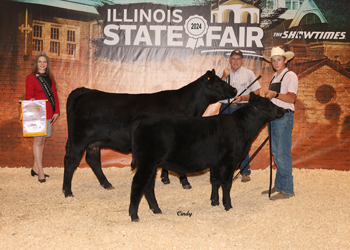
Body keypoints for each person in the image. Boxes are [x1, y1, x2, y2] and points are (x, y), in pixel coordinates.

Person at [218, 49, 261, 182]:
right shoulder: (223, 73)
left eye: (238, 59)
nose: (235, 61)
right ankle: (223, 170)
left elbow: (257, 93)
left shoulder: (249, 73)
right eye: (233, 58)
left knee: (243, 140)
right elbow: (215, 91)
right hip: (226, 109)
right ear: (230, 60)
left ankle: (245, 170)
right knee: (223, 141)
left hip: (242, 110)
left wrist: (243, 98)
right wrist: (223, 78)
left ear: (242, 61)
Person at [262, 46, 298, 200]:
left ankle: (288, 189)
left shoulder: (290, 76)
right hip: (274, 118)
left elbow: (291, 98)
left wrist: (275, 93)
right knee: (276, 153)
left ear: (286, 60)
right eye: (273, 60)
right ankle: (279, 185)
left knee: (282, 154)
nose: (276, 62)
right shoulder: (275, 77)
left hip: (284, 117)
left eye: (279, 59)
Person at [26, 51, 60, 183]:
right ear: (36, 63)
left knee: (43, 141)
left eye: (44, 62)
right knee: (38, 142)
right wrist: (31, 99)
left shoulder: (51, 79)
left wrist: (57, 111)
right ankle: (40, 172)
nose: (42, 64)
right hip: (37, 113)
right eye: (40, 61)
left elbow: (55, 96)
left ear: (47, 64)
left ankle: (35, 168)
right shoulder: (31, 77)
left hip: (49, 113)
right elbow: (28, 95)